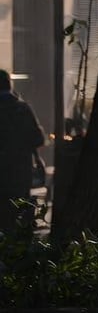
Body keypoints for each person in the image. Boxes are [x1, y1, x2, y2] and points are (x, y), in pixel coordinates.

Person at [0, 70, 45, 233]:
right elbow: (38, 139)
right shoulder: (22, 108)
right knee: (19, 214)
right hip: (20, 172)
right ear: (10, 85)